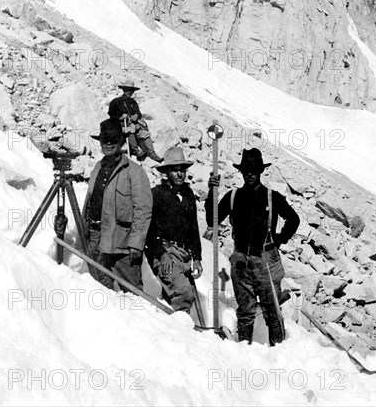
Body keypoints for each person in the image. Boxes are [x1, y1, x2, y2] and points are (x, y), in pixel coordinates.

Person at [206, 148, 299, 345]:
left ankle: (281, 355)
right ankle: (245, 353)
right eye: (246, 170)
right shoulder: (233, 197)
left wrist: (278, 240)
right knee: (245, 311)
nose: (249, 174)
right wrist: (211, 193)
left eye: (254, 170)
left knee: (271, 311)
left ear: (260, 171)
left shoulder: (272, 197)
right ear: (241, 172)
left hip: (265, 260)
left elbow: (294, 219)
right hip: (240, 260)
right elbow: (212, 220)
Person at [82, 119, 152, 291]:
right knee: (100, 291)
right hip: (96, 240)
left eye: (114, 140)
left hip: (122, 245)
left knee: (132, 293)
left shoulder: (134, 172)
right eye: (105, 140)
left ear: (122, 142)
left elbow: (143, 210)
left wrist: (136, 243)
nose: (109, 144)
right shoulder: (97, 168)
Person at [145, 147, 203, 313]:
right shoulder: (156, 194)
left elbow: (193, 228)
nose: (179, 174)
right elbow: (147, 229)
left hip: (183, 254)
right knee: (183, 292)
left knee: (177, 295)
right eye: (174, 170)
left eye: (182, 170)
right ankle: (181, 330)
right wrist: (162, 254)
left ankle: (171, 326)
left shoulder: (188, 194)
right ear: (166, 173)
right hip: (163, 253)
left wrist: (197, 257)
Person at [108, 79, 163, 163]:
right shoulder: (116, 102)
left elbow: (138, 112)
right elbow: (111, 114)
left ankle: (152, 154)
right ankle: (136, 151)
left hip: (133, 125)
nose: (129, 92)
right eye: (127, 90)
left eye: (131, 90)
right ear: (123, 90)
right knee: (130, 131)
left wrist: (136, 115)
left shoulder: (133, 102)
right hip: (121, 126)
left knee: (144, 134)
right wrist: (121, 117)